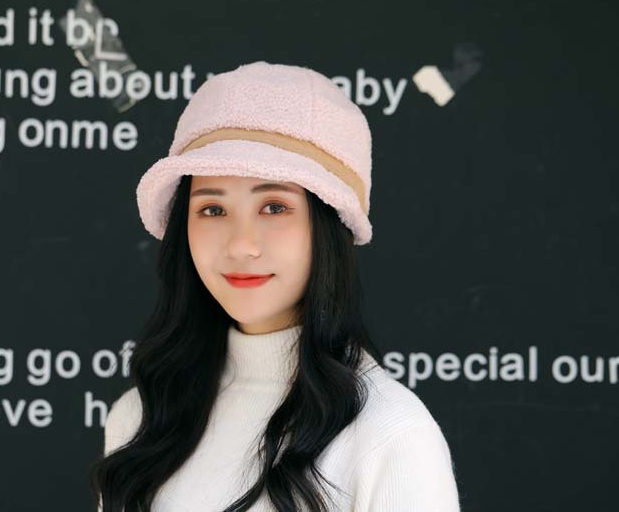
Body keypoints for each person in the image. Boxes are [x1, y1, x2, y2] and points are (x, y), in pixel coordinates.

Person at [90, 61, 461, 511]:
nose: (241, 245)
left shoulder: (389, 435)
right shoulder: (140, 420)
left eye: (274, 207)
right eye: (212, 210)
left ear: (329, 225)